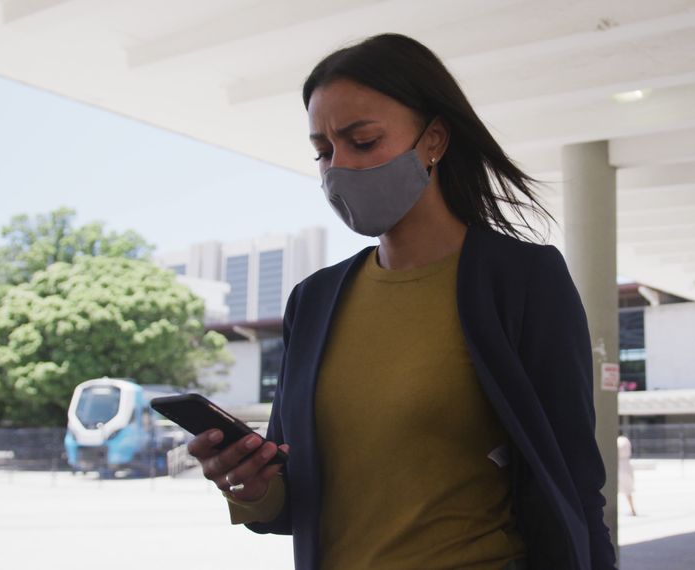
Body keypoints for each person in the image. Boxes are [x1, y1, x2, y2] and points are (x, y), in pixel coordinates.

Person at [186, 33, 615, 570]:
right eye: (323, 151)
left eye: (362, 141)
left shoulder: (522, 278)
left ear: (433, 139)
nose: (338, 168)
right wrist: (248, 485)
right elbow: (290, 501)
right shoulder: (312, 302)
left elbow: (573, 477)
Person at [617, 432, 636, 517]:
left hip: (620, 465)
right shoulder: (626, 440)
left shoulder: (618, 441)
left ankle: (632, 509)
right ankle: (632, 509)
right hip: (627, 464)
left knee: (624, 488)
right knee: (628, 490)